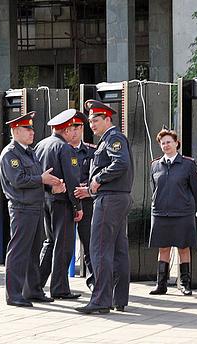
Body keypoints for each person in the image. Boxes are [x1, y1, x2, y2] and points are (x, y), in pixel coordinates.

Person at [0, 112, 65, 307]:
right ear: (16, 131)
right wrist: (42, 179)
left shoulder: (29, 151)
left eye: (31, 128)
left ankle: (33, 290)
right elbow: (18, 180)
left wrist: (51, 185)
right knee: (19, 252)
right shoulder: (11, 153)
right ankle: (14, 294)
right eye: (27, 129)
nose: (32, 132)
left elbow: (35, 179)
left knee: (33, 251)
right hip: (22, 208)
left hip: (34, 206)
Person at [74, 100, 134, 314]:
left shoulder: (113, 137)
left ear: (108, 119)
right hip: (116, 198)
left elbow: (121, 163)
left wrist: (98, 177)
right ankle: (118, 298)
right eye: (90, 121)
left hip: (109, 200)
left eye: (96, 120)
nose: (92, 125)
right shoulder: (109, 139)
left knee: (99, 248)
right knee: (118, 250)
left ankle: (100, 300)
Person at [35, 109, 84, 300]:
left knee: (50, 242)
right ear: (67, 129)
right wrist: (77, 206)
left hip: (46, 200)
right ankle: (60, 288)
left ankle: (36, 283)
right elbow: (72, 180)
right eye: (74, 128)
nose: (76, 132)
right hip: (62, 203)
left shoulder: (41, 145)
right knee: (63, 246)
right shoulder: (65, 148)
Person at [148, 128, 197, 296]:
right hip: (161, 213)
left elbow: (196, 190)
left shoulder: (188, 164)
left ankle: (184, 283)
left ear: (176, 143)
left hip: (182, 213)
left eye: (169, 142)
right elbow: (154, 188)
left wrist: (187, 205)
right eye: (163, 143)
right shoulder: (155, 165)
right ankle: (161, 284)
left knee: (183, 248)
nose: (166, 145)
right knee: (163, 248)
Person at [67, 114, 96, 291]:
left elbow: (95, 175)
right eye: (72, 128)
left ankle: (94, 280)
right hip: (66, 202)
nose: (75, 131)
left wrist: (86, 188)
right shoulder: (61, 150)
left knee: (90, 243)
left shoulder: (92, 151)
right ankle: (58, 282)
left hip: (86, 202)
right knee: (60, 244)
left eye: (78, 127)